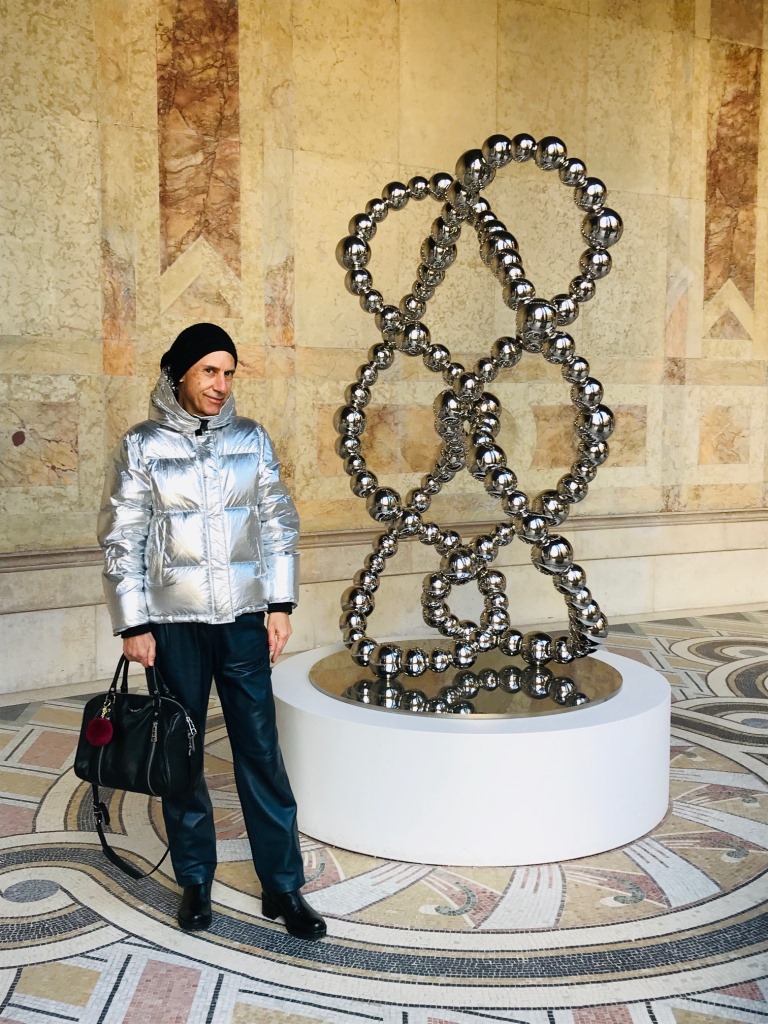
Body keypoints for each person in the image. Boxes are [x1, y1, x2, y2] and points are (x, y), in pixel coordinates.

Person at [97, 322, 326, 941]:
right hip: (173, 627)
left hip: (244, 622)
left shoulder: (252, 438)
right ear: (179, 373)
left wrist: (280, 604)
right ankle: (195, 879)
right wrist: (133, 623)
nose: (221, 385)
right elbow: (122, 537)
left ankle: (283, 886)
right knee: (183, 753)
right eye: (208, 371)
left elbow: (278, 522)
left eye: (228, 373)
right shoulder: (141, 445)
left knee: (261, 752)